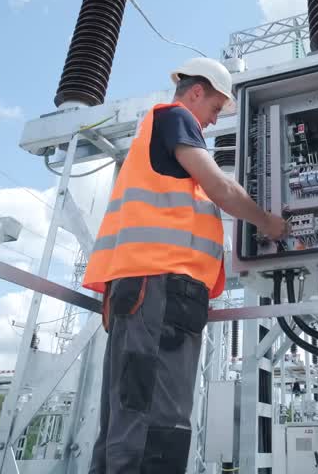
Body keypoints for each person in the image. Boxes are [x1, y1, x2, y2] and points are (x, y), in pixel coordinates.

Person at [82, 56, 287, 473]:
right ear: (197, 92)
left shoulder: (161, 143)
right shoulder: (175, 118)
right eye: (213, 109)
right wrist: (270, 224)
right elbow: (222, 188)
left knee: (127, 415)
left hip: (145, 289)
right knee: (157, 422)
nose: (212, 122)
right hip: (158, 288)